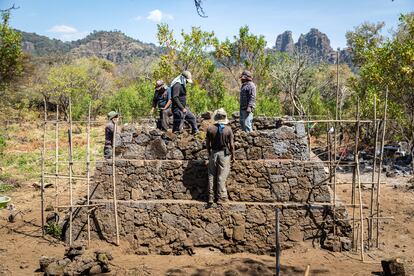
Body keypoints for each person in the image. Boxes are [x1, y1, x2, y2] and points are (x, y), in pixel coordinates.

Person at [206, 108, 235, 204]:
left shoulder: (210, 129)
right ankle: (221, 197)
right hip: (224, 154)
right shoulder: (228, 129)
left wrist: (210, 153)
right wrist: (233, 156)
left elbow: (207, 144)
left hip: (214, 153)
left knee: (211, 175)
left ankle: (210, 196)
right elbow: (231, 145)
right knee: (221, 176)